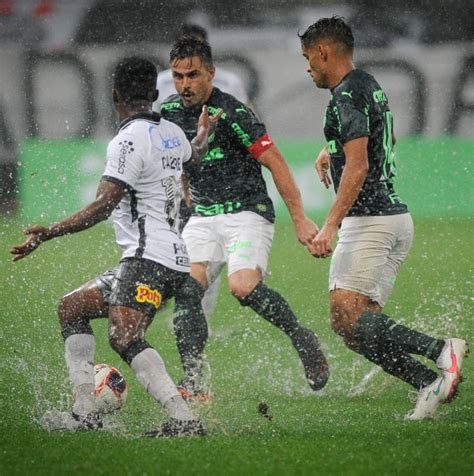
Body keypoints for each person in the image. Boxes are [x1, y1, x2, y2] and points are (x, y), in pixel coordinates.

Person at [10, 56, 221, 437]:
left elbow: (104, 204)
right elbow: (195, 154)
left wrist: (49, 233)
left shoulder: (127, 140)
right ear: (156, 94)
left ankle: (184, 420)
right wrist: (203, 134)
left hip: (148, 258)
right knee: (71, 307)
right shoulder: (171, 131)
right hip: (166, 258)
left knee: (124, 337)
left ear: (114, 95)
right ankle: (84, 410)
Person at [299, 16, 468, 419]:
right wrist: (331, 149)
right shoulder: (365, 83)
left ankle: (441, 351)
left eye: (308, 57)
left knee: (345, 316)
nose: (307, 67)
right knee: (356, 328)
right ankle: (427, 384)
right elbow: (364, 141)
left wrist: (330, 224)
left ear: (324, 51)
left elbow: (357, 167)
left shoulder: (345, 96)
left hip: (370, 221)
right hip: (392, 220)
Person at [160, 37, 330, 399]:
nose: (185, 85)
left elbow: (275, 161)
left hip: (247, 212)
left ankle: (302, 336)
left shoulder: (232, 111)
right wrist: (184, 198)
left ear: (211, 73)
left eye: (192, 75)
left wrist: (299, 218)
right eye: (178, 76)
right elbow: (179, 164)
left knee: (242, 287)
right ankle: (193, 380)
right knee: (186, 291)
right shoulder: (171, 113)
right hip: (203, 216)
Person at [154, 23, 249, 329]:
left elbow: (247, 124)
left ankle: (198, 322)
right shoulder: (161, 83)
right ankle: (159, 302)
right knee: (169, 249)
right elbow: (152, 130)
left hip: (215, 182)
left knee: (210, 252)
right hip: (170, 182)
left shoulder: (230, 82)